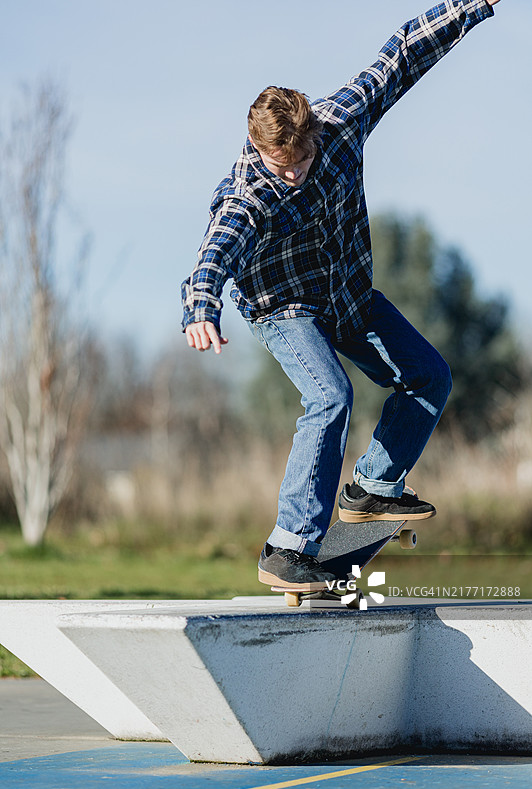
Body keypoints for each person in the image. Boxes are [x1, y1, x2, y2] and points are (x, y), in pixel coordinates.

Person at [182, 0, 500, 590]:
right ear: (257, 149)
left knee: (429, 375)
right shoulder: (247, 194)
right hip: (284, 311)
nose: (293, 174)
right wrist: (202, 304)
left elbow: (401, 55)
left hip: (348, 298)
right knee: (330, 395)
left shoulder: (341, 121)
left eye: (302, 158)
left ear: (313, 132)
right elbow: (215, 250)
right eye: (280, 165)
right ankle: (289, 546)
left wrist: (475, 3)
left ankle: (374, 487)